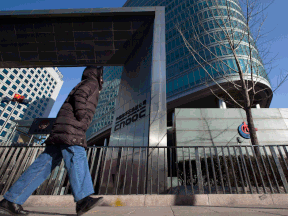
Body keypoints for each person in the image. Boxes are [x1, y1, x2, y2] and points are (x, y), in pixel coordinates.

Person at [0, 66, 104, 216]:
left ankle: (11, 201)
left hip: (63, 128)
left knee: (43, 165)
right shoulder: (91, 82)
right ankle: (83, 200)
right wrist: (83, 117)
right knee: (77, 155)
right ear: (98, 74)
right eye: (102, 76)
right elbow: (80, 96)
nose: (102, 79)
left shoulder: (86, 82)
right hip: (71, 128)